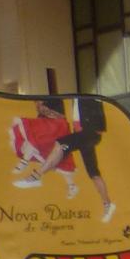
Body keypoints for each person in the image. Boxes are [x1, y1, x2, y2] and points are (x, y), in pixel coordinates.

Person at [37, 95, 116, 223]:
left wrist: (96, 130)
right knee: (93, 173)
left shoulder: (89, 98)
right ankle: (108, 204)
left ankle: (37, 175)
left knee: (61, 144)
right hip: (82, 135)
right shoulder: (73, 100)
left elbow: (99, 115)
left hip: (89, 133)